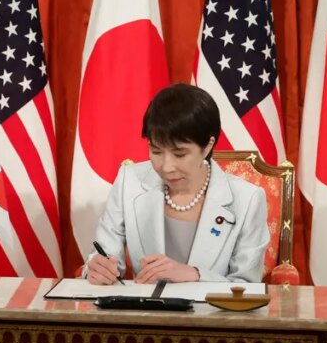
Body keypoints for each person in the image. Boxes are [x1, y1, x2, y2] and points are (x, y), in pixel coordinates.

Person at [85, 83, 269, 284]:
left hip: (211, 306)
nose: (166, 167)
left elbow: (247, 285)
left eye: (179, 154)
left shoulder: (248, 199)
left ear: (207, 146)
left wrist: (195, 275)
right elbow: (104, 255)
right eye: (156, 151)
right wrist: (98, 268)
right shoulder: (129, 181)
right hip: (144, 304)